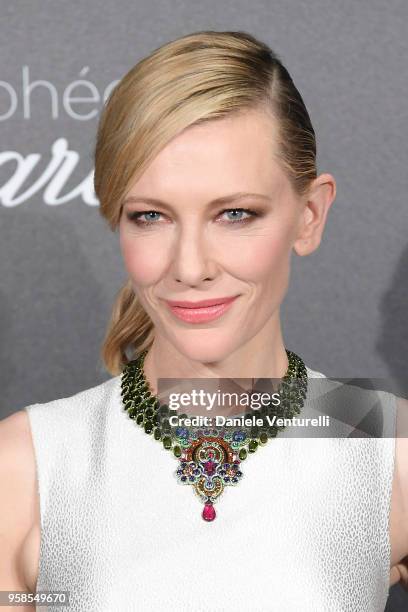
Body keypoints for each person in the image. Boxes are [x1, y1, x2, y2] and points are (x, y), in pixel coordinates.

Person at [1, 29, 407, 612]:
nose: (190, 266)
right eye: (150, 216)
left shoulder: (383, 444)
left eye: (235, 214)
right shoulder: (28, 462)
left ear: (309, 215)